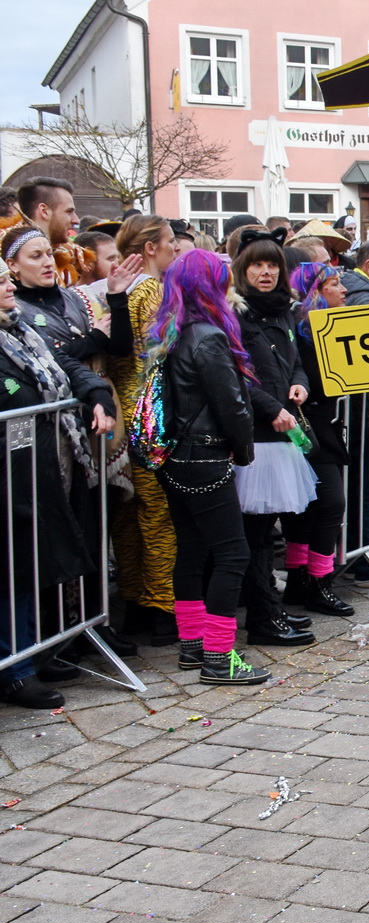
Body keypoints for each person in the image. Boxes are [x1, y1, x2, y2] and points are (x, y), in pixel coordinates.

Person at [0, 235, 117, 707]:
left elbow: (65, 363)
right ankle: (15, 666)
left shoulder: (18, 332)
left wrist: (97, 394)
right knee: (11, 573)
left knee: (29, 568)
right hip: (10, 474)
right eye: (2, 281)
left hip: (36, 470)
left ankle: (31, 653)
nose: (9, 287)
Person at [148, 250, 270, 686]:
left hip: (175, 458)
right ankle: (219, 656)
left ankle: (193, 646)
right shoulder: (208, 336)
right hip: (204, 456)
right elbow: (232, 405)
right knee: (232, 553)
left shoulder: (170, 332)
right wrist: (244, 450)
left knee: (194, 551)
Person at [230, 232, 318, 648]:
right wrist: (271, 408)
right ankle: (262, 616)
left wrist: (298, 386)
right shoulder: (236, 315)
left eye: (272, 266)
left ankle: (269, 609)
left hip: (283, 430)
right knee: (256, 533)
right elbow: (238, 376)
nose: (265, 273)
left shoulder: (286, 312)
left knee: (267, 531)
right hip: (257, 434)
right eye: (257, 266)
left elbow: (295, 362)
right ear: (243, 271)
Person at [109, 215, 180, 646]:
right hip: (149, 416)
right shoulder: (153, 291)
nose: (175, 248)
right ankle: (161, 606)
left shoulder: (119, 291)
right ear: (150, 248)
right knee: (158, 515)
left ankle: (135, 601)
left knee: (129, 516)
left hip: (123, 414)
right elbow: (162, 357)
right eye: (170, 240)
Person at [283, 263, 352, 617]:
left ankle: (309, 581)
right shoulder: (299, 333)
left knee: (317, 507)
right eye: (334, 283)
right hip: (301, 431)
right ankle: (312, 583)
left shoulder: (328, 332)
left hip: (320, 428)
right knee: (322, 506)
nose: (343, 290)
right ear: (315, 291)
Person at [15, 178, 88, 287]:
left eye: (48, 255)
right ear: (44, 211)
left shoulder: (71, 256)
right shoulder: (7, 259)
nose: (76, 220)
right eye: (69, 211)